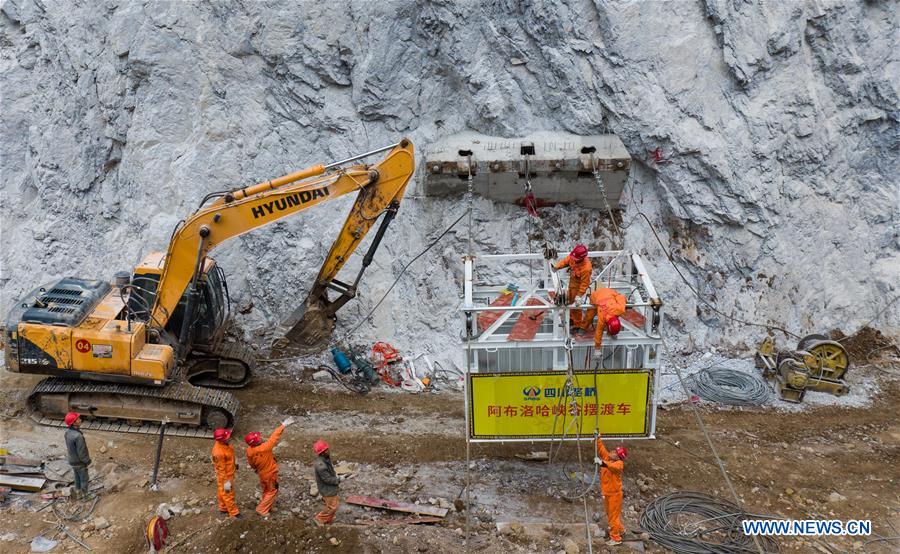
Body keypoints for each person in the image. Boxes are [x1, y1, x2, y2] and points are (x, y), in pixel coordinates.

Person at [245, 417, 294, 516]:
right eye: (259, 438)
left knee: (266, 490)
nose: (261, 437)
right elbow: (274, 437)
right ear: (256, 442)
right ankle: (262, 509)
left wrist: (256, 469)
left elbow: (251, 463)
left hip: (262, 473)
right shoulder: (265, 448)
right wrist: (283, 425)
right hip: (270, 474)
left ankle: (268, 506)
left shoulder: (249, 450)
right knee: (272, 491)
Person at [594, 434, 628, 546]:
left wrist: (602, 463)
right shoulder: (608, 457)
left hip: (615, 495)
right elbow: (601, 449)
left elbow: (612, 467)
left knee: (613, 517)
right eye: (613, 450)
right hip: (608, 493)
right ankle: (621, 530)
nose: (612, 452)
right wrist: (597, 438)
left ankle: (615, 538)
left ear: (618, 457)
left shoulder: (619, 464)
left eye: (615, 452)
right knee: (611, 514)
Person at [553, 244, 593, 329]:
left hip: (578, 287)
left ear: (581, 258)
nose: (573, 260)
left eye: (575, 259)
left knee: (575, 306)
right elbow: (565, 261)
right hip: (572, 283)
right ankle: (571, 319)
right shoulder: (573, 257)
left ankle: (577, 324)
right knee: (570, 301)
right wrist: (557, 266)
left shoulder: (586, 268)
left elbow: (584, 284)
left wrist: (579, 296)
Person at [211, 427, 240, 518]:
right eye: (227, 437)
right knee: (228, 493)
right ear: (222, 440)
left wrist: (234, 463)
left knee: (222, 491)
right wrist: (226, 482)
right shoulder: (218, 452)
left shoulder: (224, 444)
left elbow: (229, 456)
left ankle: (223, 508)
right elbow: (221, 470)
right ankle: (234, 513)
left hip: (228, 473)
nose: (229, 437)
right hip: (225, 477)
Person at [312, 439, 340, 526]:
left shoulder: (325, 459)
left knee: (332, 505)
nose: (328, 451)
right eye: (326, 450)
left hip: (329, 488)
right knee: (332, 507)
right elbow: (327, 479)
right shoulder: (321, 465)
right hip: (327, 490)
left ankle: (327, 520)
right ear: (322, 452)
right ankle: (319, 519)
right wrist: (339, 479)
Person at [64, 412, 91, 500]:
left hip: (72, 460)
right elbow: (81, 452)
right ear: (74, 423)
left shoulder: (68, 433)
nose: (80, 420)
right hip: (79, 462)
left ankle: (78, 493)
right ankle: (86, 496)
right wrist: (87, 461)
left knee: (77, 478)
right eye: (78, 419)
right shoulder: (78, 436)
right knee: (84, 479)